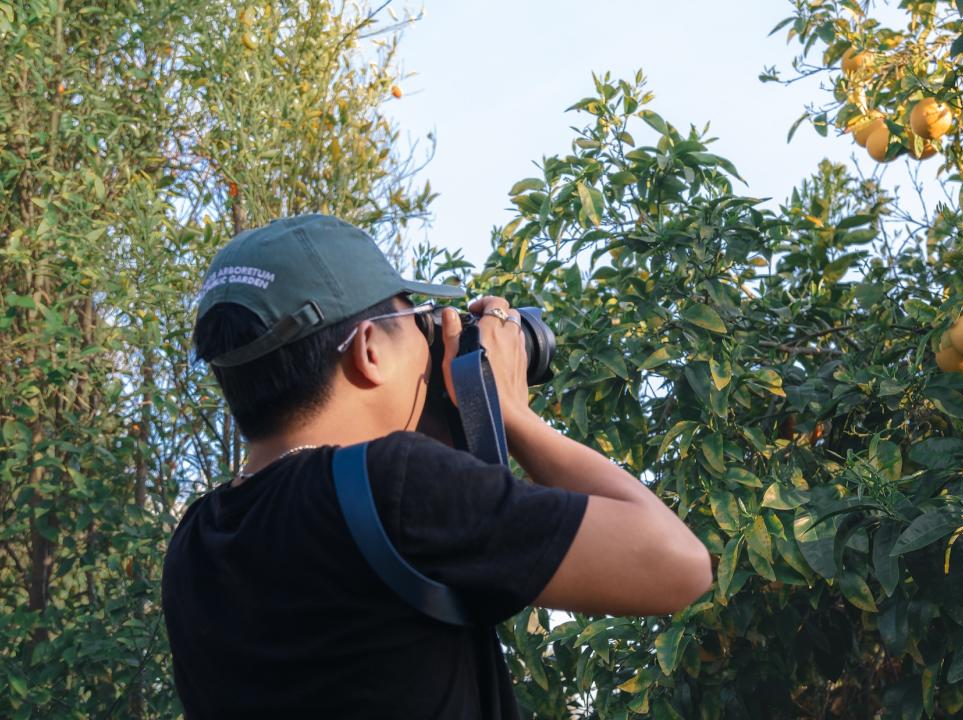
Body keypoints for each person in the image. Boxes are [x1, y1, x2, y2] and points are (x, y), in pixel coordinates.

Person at [161, 214, 714, 719]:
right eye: (419, 320)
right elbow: (680, 565)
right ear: (370, 350)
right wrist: (512, 413)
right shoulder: (391, 484)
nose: (432, 345)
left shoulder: (197, 543)